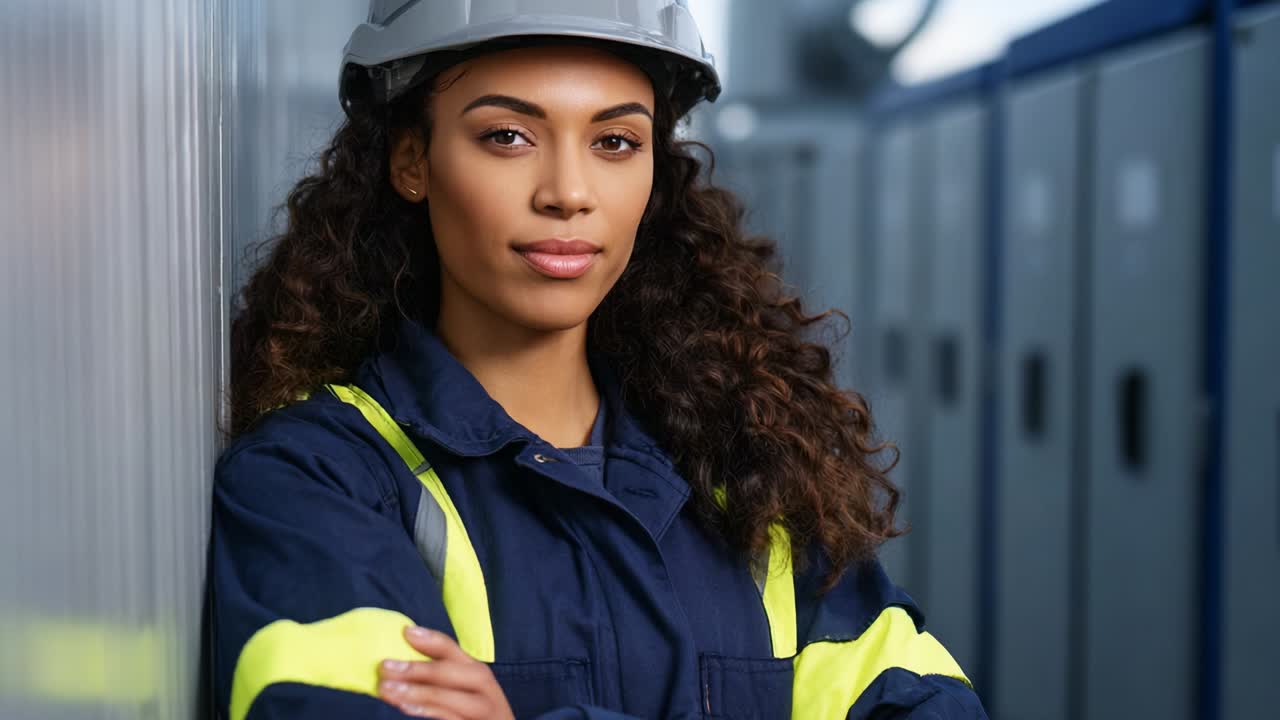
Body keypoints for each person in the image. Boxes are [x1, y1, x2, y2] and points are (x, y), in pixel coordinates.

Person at [209, 2, 988, 718]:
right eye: (507, 136)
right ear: (412, 160)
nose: (569, 192)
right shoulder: (315, 479)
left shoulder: (746, 473)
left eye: (615, 141)